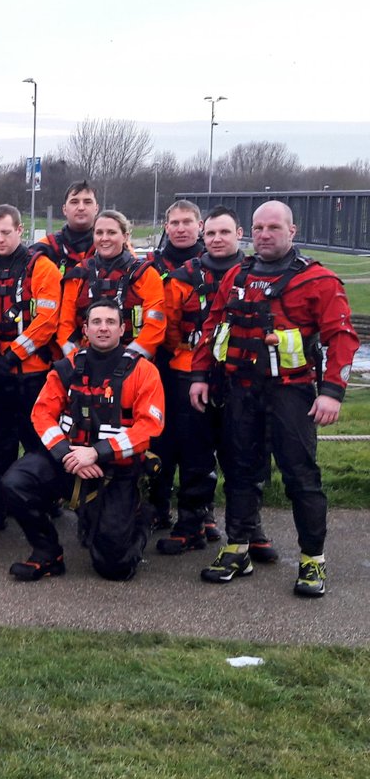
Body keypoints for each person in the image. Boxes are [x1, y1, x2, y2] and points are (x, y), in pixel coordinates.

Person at [190, 200, 359, 597]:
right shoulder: (238, 275)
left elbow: (342, 338)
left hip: (291, 393)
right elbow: (212, 326)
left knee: (301, 476)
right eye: (258, 228)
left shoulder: (319, 280)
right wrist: (199, 375)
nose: (264, 235)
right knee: (239, 471)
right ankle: (237, 548)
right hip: (240, 390)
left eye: (274, 228)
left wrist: (332, 392)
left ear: (292, 231)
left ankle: (312, 559)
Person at [2, 300, 165, 582]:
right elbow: (41, 414)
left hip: (116, 471)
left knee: (114, 568)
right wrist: (66, 453)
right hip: (69, 462)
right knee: (14, 483)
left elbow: (150, 427)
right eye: (96, 322)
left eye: (111, 322)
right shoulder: (66, 367)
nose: (103, 328)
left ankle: (140, 517)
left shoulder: (144, 371)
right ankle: (47, 552)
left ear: (122, 329)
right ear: (85, 329)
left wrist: (96, 453)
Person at [156, 206, 260, 555]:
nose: (217, 239)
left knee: (243, 453)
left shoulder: (255, 275)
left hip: (241, 374)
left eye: (224, 232)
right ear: (205, 234)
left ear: (239, 234)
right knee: (194, 451)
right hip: (189, 371)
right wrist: (188, 354)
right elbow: (169, 327)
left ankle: (249, 528)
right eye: (212, 233)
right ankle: (191, 523)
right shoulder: (182, 278)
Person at [0, 204, 62, 536]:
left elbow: (47, 320)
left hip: (32, 371)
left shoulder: (42, 267)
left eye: (6, 232)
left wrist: (11, 356)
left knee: (36, 440)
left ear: (20, 230)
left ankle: (43, 501)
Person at [142, 200, 208, 533]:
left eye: (187, 222)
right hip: (160, 363)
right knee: (160, 438)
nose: (181, 228)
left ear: (200, 225)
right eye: (175, 223)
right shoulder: (150, 265)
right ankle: (158, 504)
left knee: (200, 441)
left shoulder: (213, 264)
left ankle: (200, 511)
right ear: (166, 227)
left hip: (204, 364)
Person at [57, 209, 166, 361]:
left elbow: (155, 326)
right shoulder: (79, 273)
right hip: (85, 359)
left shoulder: (145, 275)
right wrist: (76, 359)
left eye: (111, 233)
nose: (104, 238)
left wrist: (127, 360)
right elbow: (65, 326)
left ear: (125, 236)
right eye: (99, 233)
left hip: (133, 360)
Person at [37, 181, 100, 279]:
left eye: (87, 202)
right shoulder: (45, 248)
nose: (81, 208)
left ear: (96, 209)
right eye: (74, 202)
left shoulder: (110, 248)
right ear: (64, 209)